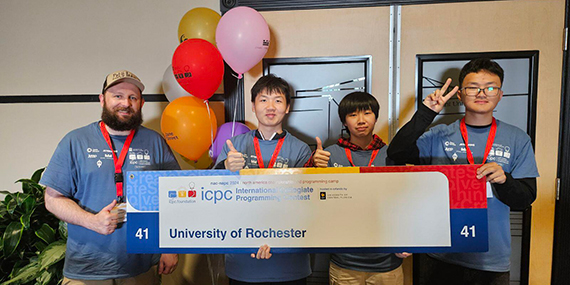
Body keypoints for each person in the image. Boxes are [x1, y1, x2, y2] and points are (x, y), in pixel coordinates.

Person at [387, 58, 539, 284]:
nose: (482, 93)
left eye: (490, 87)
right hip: (441, 254)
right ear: (460, 95)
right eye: (473, 87)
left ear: (500, 94)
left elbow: (525, 199)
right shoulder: (440, 135)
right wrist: (426, 113)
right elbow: (397, 153)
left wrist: (504, 180)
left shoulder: (517, 139)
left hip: (492, 259)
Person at [41, 70, 180, 284]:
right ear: (102, 100)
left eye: (132, 97)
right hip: (86, 269)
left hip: (141, 267)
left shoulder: (155, 142)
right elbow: (52, 199)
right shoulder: (75, 141)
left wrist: (169, 247)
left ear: (141, 103)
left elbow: (174, 197)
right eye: (117, 96)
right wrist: (91, 221)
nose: (125, 103)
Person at [214, 74, 312, 284]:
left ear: (287, 107)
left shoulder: (301, 149)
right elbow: (215, 197)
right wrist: (226, 168)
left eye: (278, 100)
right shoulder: (233, 146)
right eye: (263, 99)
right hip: (243, 256)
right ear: (252, 105)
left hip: (290, 258)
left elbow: (306, 204)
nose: (270, 106)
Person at [308, 92, 410, 285]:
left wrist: (406, 239)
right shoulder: (329, 156)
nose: (361, 120)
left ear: (376, 117)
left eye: (367, 113)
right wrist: (313, 169)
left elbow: (403, 203)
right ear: (344, 121)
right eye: (353, 115)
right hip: (344, 262)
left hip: (387, 262)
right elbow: (316, 204)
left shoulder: (392, 154)